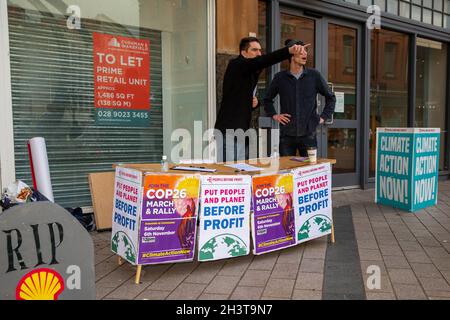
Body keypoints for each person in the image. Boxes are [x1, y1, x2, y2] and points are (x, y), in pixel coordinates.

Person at [214, 37, 308, 161]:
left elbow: (240, 95)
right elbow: (263, 61)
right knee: (230, 174)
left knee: (239, 172)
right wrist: (288, 51)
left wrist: (257, 102)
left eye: (260, 50)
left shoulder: (249, 71)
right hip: (229, 132)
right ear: (243, 53)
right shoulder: (236, 64)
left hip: (241, 133)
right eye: (254, 50)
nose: (259, 53)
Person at [264, 39, 336, 157]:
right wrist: (274, 115)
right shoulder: (280, 78)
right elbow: (267, 99)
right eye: (301, 51)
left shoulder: (314, 76)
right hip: (286, 135)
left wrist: (323, 117)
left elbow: (331, 97)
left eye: (306, 51)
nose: (305, 53)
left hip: (309, 135)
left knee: (309, 171)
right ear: (291, 55)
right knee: (287, 171)